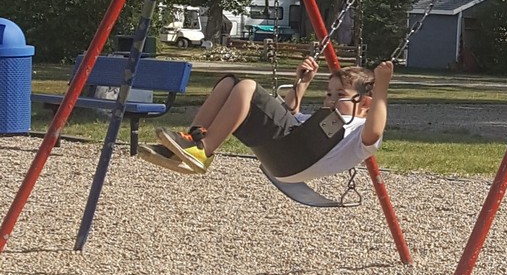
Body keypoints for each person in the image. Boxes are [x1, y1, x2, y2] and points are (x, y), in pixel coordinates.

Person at [143, 56, 393, 186]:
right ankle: (189, 143)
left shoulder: (359, 129)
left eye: (340, 94)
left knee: (247, 87)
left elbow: (374, 129)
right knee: (229, 83)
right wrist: (302, 82)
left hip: (298, 156)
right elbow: (289, 113)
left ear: (366, 103)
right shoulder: (323, 121)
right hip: (284, 153)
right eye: (329, 93)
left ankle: (204, 150)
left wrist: (381, 86)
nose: (331, 99)